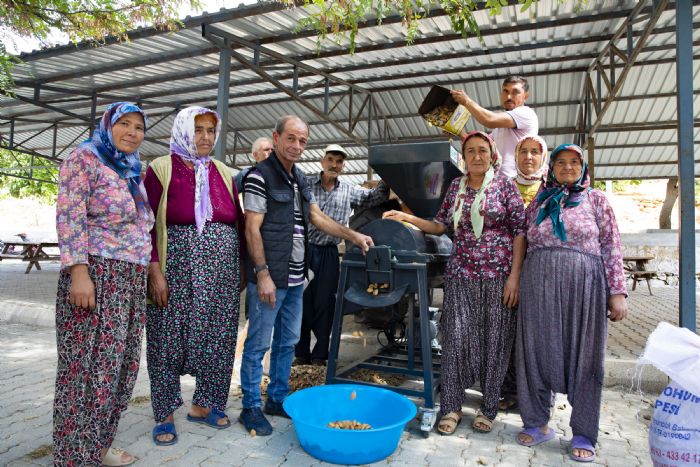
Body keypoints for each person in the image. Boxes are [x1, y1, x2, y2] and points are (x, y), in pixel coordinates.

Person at [383, 131, 526, 435]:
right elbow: (440, 225)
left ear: (492, 155)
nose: (477, 156)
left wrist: (514, 277)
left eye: (482, 151)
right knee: (456, 339)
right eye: (471, 151)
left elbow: (519, 232)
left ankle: (488, 407)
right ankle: (451, 405)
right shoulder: (455, 187)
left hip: (498, 276)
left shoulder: (504, 186)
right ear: (464, 157)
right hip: (461, 275)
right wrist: (407, 218)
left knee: (495, 340)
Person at [239, 115, 373, 436]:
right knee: (259, 344)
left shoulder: (298, 177)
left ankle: (277, 398)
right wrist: (262, 274)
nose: (297, 146)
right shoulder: (260, 177)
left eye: (302, 140)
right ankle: (250, 407)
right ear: (276, 137)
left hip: (298, 277)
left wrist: (353, 236)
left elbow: (315, 216)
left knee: (288, 342)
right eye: (291, 138)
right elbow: (251, 228)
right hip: (272, 277)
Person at [514, 144, 628, 462]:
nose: (566, 167)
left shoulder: (596, 199)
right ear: (551, 168)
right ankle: (537, 423)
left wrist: (617, 292)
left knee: (586, 356)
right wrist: (515, 278)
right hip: (538, 284)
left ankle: (583, 432)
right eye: (560, 162)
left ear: (583, 167)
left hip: (586, 287)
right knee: (535, 352)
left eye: (573, 162)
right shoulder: (539, 199)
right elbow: (522, 237)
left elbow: (611, 243)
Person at [54, 102, 153, 466]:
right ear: (107, 125)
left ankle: (98, 445)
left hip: (130, 276)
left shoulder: (131, 168)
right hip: (96, 274)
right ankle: (73, 456)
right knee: (85, 368)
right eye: (123, 124)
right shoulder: (84, 158)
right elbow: (69, 215)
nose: (131, 132)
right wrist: (79, 272)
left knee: (119, 366)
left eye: (138, 127)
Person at [143, 106, 246, 446]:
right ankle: (165, 413)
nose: (205, 137)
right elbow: (146, 225)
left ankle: (205, 404)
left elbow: (240, 222)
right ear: (184, 130)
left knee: (218, 336)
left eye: (210, 132)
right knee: (166, 336)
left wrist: (244, 268)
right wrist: (155, 272)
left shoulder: (225, 173)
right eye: (198, 130)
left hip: (222, 272)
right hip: (177, 267)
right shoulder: (161, 168)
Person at [294, 143, 390, 366]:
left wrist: (386, 175)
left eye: (339, 162)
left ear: (343, 165)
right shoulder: (306, 185)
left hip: (329, 254)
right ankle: (301, 354)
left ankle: (320, 355)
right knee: (302, 302)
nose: (334, 165)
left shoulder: (349, 189)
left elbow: (374, 197)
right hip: (304, 251)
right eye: (330, 160)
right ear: (322, 161)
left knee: (326, 303)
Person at [498, 134, 549, 411]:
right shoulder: (502, 187)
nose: (528, 157)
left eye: (534, 152)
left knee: (537, 335)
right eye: (523, 152)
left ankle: (539, 394)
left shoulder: (552, 190)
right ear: (515, 156)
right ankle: (509, 391)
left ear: (543, 157)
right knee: (507, 332)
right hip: (505, 271)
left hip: (542, 274)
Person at [451, 76, 538, 178]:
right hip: (499, 184)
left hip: (516, 184)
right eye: (505, 91)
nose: (509, 96)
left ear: (526, 96)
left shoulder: (525, 113)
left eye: (515, 92)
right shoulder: (500, 128)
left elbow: (489, 120)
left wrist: (467, 102)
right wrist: (457, 131)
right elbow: (482, 145)